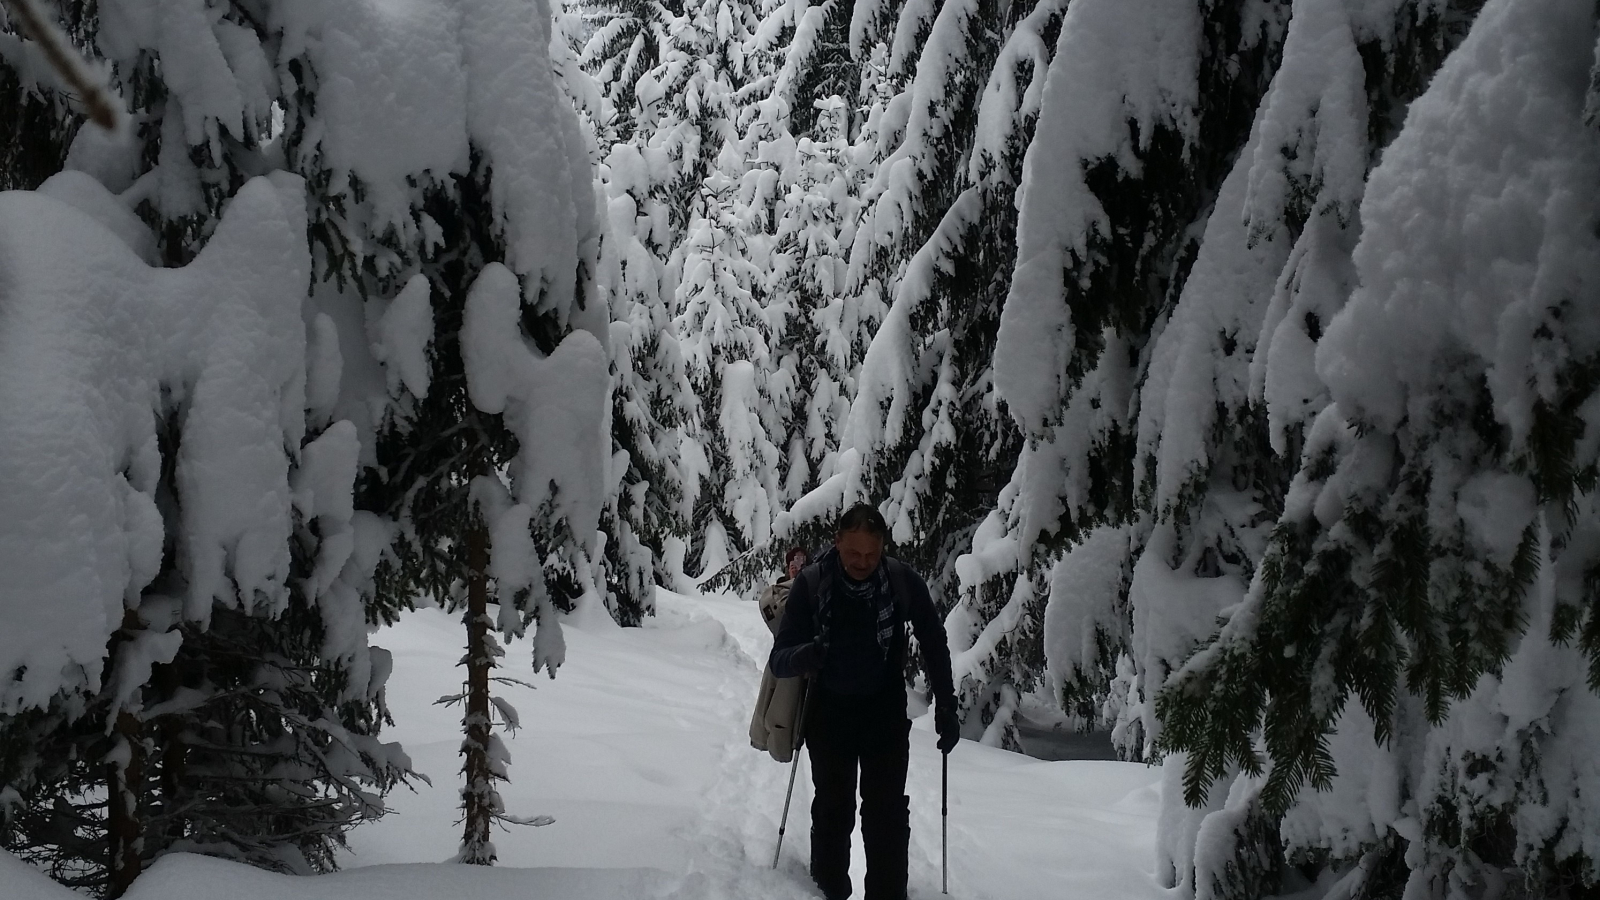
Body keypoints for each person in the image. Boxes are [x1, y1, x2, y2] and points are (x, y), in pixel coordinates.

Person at [770, 503, 959, 900]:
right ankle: (827, 892)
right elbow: (780, 657)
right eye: (854, 553)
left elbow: (933, 640)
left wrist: (946, 704)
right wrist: (806, 654)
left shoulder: (901, 581)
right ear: (837, 542)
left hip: (884, 713)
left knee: (886, 817)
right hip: (829, 713)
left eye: (871, 554)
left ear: (882, 547)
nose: (862, 562)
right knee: (833, 813)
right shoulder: (812, 583)